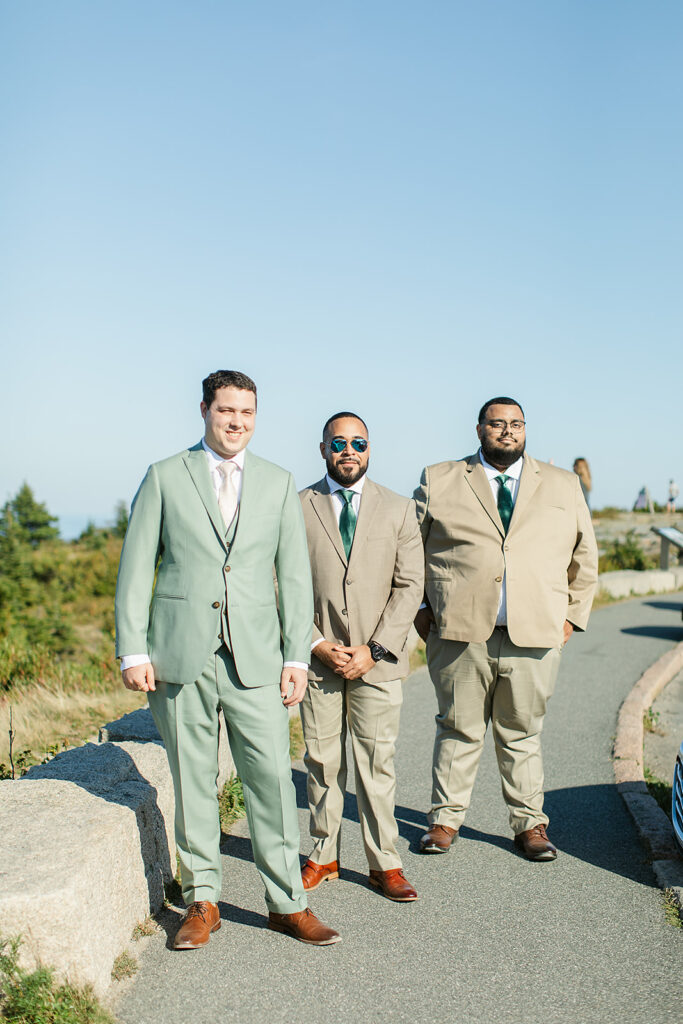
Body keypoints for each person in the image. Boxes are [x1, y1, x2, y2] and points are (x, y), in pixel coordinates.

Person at [115, 370, 340, 948]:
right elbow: (137, 567)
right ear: (204, 411)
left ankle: (288, 903)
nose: (237, 422)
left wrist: (296, 656)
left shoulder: (277, 482)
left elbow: (293, 578)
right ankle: (201, 903)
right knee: (193, 781)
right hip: (178, 654)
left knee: (268, 777)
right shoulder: (165, 476)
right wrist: (133, 649)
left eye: (247, 413)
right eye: (226, 411)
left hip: (257, 656)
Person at [414, 397, 598, 860]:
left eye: (516, 424)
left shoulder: (562, 484)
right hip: (458, 632)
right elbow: (408, 549)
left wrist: (572, 616)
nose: (507, 431)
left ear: (525, 429)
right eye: (497, 424)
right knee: (457, 728)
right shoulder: (440, 478)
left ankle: (530, 825)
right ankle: (443, 821)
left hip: (535, 634)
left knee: (522, 732)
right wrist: (420, 609)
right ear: (479, 429)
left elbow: (585, 557)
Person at [298, 412, 424, 900]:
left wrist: (373, 650)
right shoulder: (296, 507)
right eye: (339, 443)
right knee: (322, 761)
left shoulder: (399, 508)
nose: (348, 450)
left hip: (380, 661)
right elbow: (278, 585)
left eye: (358, 442)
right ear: (323, 448)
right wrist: (316, 643)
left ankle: (384, 863)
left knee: (376, 764)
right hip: (318, 660)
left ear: (369, 448)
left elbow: (410, 585)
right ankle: (324, 855)